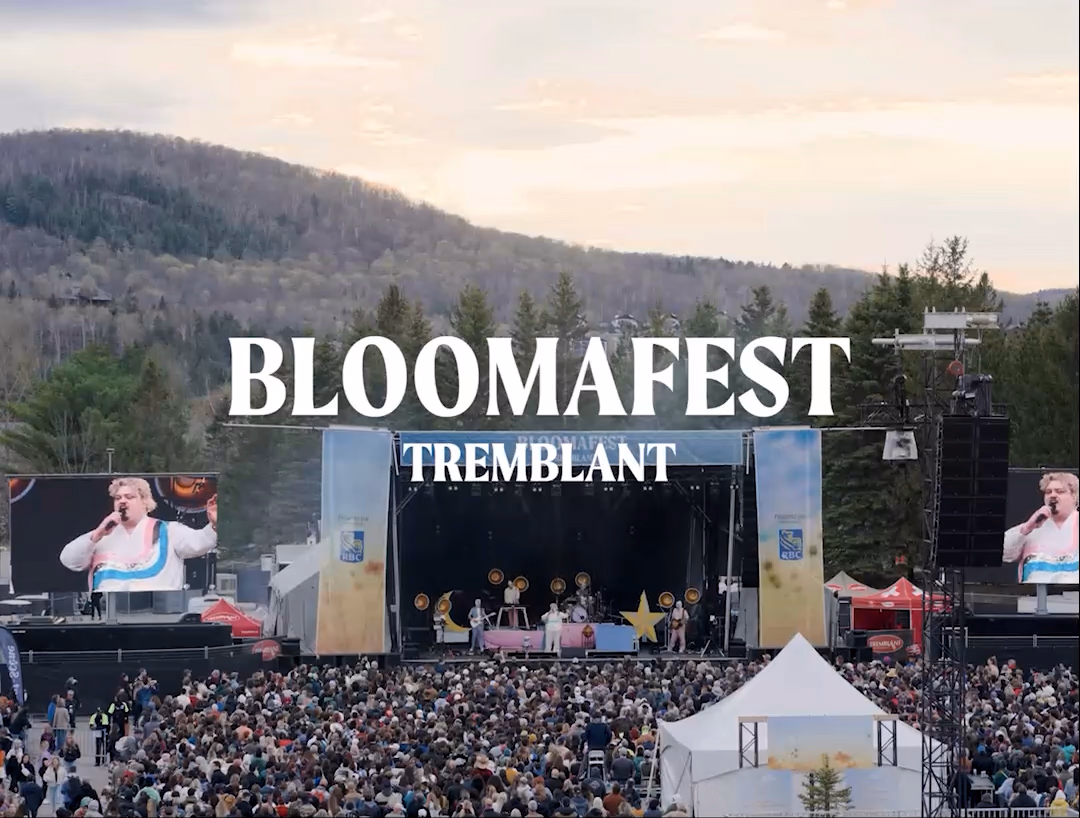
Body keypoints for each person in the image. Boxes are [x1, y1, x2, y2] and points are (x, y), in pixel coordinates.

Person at [59, 476, 218, 592]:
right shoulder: (101, 536)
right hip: (108, 616)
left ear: (145, 502)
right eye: (118, 498)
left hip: (159, 615)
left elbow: (201, 542)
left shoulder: (169, 530)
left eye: (129, 497)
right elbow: (69, 561)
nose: (122, 501)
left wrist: (215, 524)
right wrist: (96, 535)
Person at [1003, 471, 1079, 583]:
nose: (1053, 495)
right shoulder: (1032, 527)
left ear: (1074, 496)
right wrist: (1026, 528)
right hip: (1034, 597)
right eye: (1048, 492)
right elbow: (1003, 553)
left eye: (1059, 491)